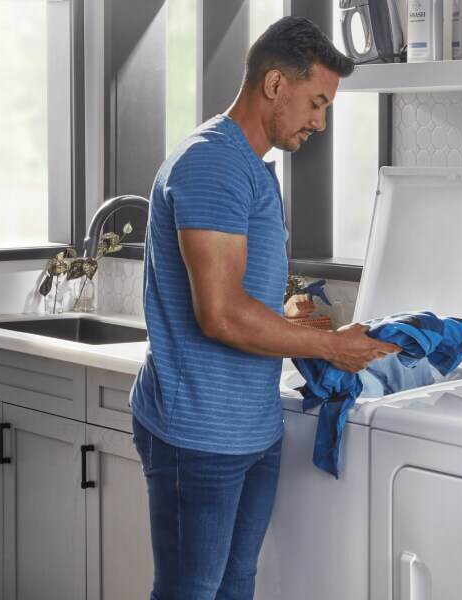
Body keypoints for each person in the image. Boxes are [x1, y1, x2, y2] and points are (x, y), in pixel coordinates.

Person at [129, 16, 399, 600]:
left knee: (234, 590)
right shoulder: (212, 163)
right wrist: (332, 346)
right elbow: (220, 315)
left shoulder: (252, 168)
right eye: (317, 103)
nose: (320, 123)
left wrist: (291, 322)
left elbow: (236, 293)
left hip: (250, 429)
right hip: (197, 432)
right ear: (276, 84)